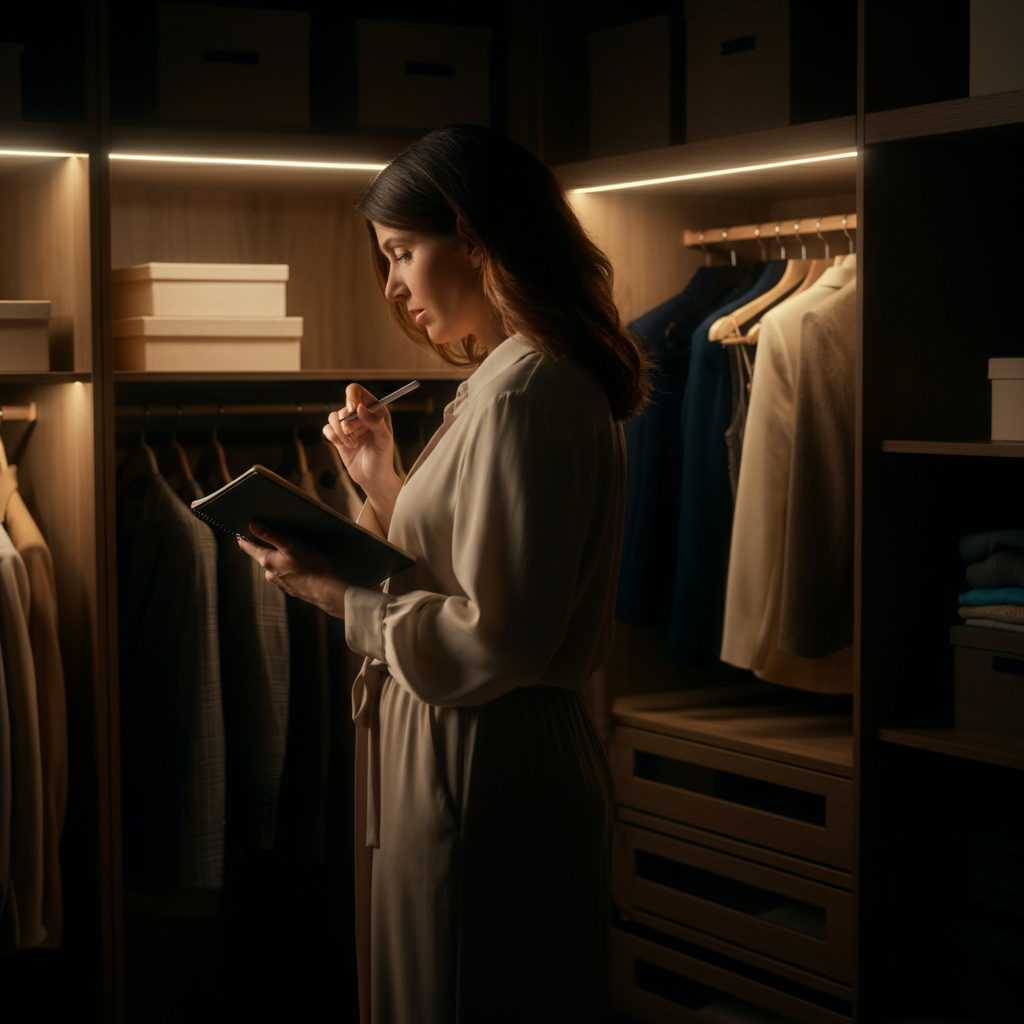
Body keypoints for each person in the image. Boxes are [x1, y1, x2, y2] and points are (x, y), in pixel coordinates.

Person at [237, 124, 651, 1024]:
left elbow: (496, 635)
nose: (391, 286)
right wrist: (382, 479)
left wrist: (336, 596)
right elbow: (467, 577)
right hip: (471, 742)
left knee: (464, 988)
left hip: (486, 753)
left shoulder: (524, 393)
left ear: (472, 235)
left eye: (402, 252)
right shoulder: (510, 382)